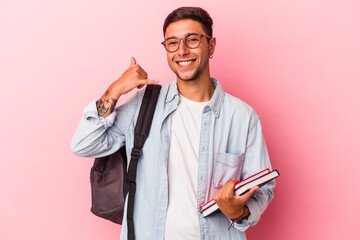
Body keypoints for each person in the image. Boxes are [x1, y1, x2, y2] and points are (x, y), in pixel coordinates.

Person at [71, 6, 275, 240]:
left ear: (211, 45)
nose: (182, 50)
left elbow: (263, 190)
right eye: (172, 42)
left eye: (192, 40)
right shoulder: (144, 105)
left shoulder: (243, 117)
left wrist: (237, 210)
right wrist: (115, 89)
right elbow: (84, 144)